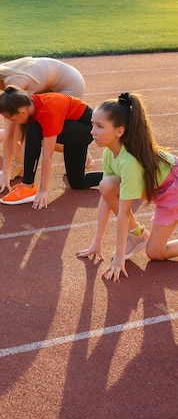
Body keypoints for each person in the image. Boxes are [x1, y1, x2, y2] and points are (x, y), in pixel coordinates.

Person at [77, 92, 178, 283]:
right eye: (92, 124)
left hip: (173, 189)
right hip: (158, 187)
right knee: (106, 185)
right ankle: (138, 236)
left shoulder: (129, 163)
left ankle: (137, 238)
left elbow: (123, 213)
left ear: (119, 131)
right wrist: (96, 243)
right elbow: (106, 196)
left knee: (155, 253)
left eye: (99, 126)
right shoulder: (109, 153)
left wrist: (119, 257)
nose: (92, 131)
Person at [0, 54, 87, 191]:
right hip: (47, 86)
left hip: (69, 84)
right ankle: (20, 164)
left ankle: (79, 151)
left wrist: (6, 173)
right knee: (26, 129)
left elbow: (9, 133)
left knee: (35, 131)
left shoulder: (14, 81)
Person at [0, 86, 103, 207]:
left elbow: (48, 154)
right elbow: (28, 146)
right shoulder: (30, 105)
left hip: (85, 129)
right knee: (77, 182)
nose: (14, 122)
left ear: (22, 112)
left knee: (35, 128)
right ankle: (119, 178)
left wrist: (43, 190)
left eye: (13, 119)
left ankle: (27, 186)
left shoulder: (47, 112)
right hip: (73, 128)